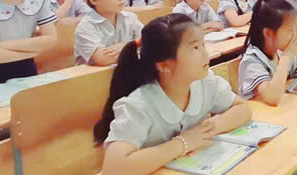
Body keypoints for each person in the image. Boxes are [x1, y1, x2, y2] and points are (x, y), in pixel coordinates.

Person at [93, 14, 252, 175]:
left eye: (203, 45)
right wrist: (182, 143)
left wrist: (213, 127)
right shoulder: (139, 105)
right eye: (195, 48)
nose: (205, 53)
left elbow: (243, 108)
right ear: (164, 66)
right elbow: (114, 168)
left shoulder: (205, 83)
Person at [238, 0, 297, 104]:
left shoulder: (279, 50)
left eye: (295, 29)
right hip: (259, 113)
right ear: (268, 33)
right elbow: (273, 97)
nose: (295, 35)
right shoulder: (252, 61)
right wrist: (286, 58)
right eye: (290, 30)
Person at [76, 0, 143, 66]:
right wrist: (134, 46)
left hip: (125, 70)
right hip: (95, 74)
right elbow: (104, 59)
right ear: (94, 0)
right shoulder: (86, 26)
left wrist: (123, 46)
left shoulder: (130, 17)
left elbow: (149, 43)